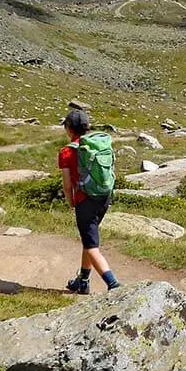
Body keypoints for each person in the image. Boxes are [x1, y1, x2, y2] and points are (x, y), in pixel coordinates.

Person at [58, 109, 121, 294]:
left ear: (69, 128)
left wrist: (71, 202)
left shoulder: (67, 152)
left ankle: (114, 284)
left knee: (92, 246)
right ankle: (83, 281)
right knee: (89, 240)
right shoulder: (98, 144)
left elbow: (67, 185)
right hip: (104, 197)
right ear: (87, 127)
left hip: (84, 201)